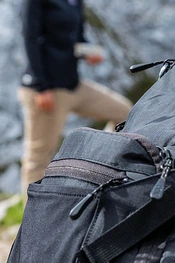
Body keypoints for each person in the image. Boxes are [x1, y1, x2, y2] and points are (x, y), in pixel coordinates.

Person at [18, 0, 133, 193]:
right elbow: (30, 37)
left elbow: (76, 38)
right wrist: (40, 86)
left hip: (74, 84)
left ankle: (96, 167)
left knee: (125, 112)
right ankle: (30, 220)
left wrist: (89, 52)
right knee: (38, 158)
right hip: (47, 89)